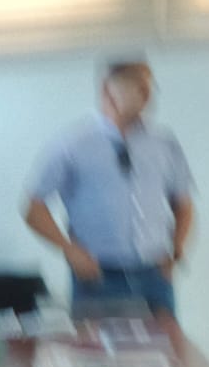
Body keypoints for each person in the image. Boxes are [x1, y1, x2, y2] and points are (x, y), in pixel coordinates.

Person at [23, 57, 196, 318]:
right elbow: (33, 209)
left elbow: (183, 203)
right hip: (98, 276)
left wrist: (177, 251)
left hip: (154, 275)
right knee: (95, 344)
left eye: (150, 87)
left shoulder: (164, 143)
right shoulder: (72, 144)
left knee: (165, 343)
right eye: (138, 87)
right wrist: (70, 250)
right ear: (108, 90)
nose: (148, 95)